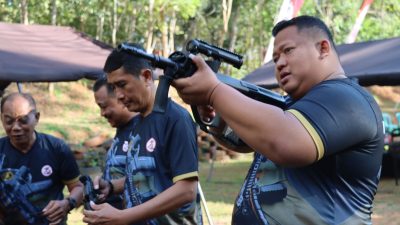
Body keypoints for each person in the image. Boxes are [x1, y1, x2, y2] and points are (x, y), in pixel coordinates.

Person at [173, 15, 384, 224]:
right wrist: (216, 119)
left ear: (323, 49)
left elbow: (285, 144)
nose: (280, 63)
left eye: (288, 51)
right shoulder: (292, 104)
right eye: (275, 58)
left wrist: (214, 91)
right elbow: (246, 141)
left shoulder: (347, 98)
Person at [83, 43, 203, 225]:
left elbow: (186, 190)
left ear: (146, 76)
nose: (119, 95)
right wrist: (113, 187)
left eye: (122, 85)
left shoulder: (175, 118)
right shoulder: (137, 124)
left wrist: (123, 217)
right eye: (114, 87)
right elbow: (149, 173)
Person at [0, 92, 83, 225]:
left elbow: (78, 187)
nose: (15, 128)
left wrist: (67, 204)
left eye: (23, 120)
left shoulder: (56, 148)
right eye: (9, 121)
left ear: (37, 118)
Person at [92, 76, 138, 209]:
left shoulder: (142, 130)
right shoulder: (121, 129)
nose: (102, 113)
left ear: (120, 98)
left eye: (104, 106)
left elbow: (146, 178)